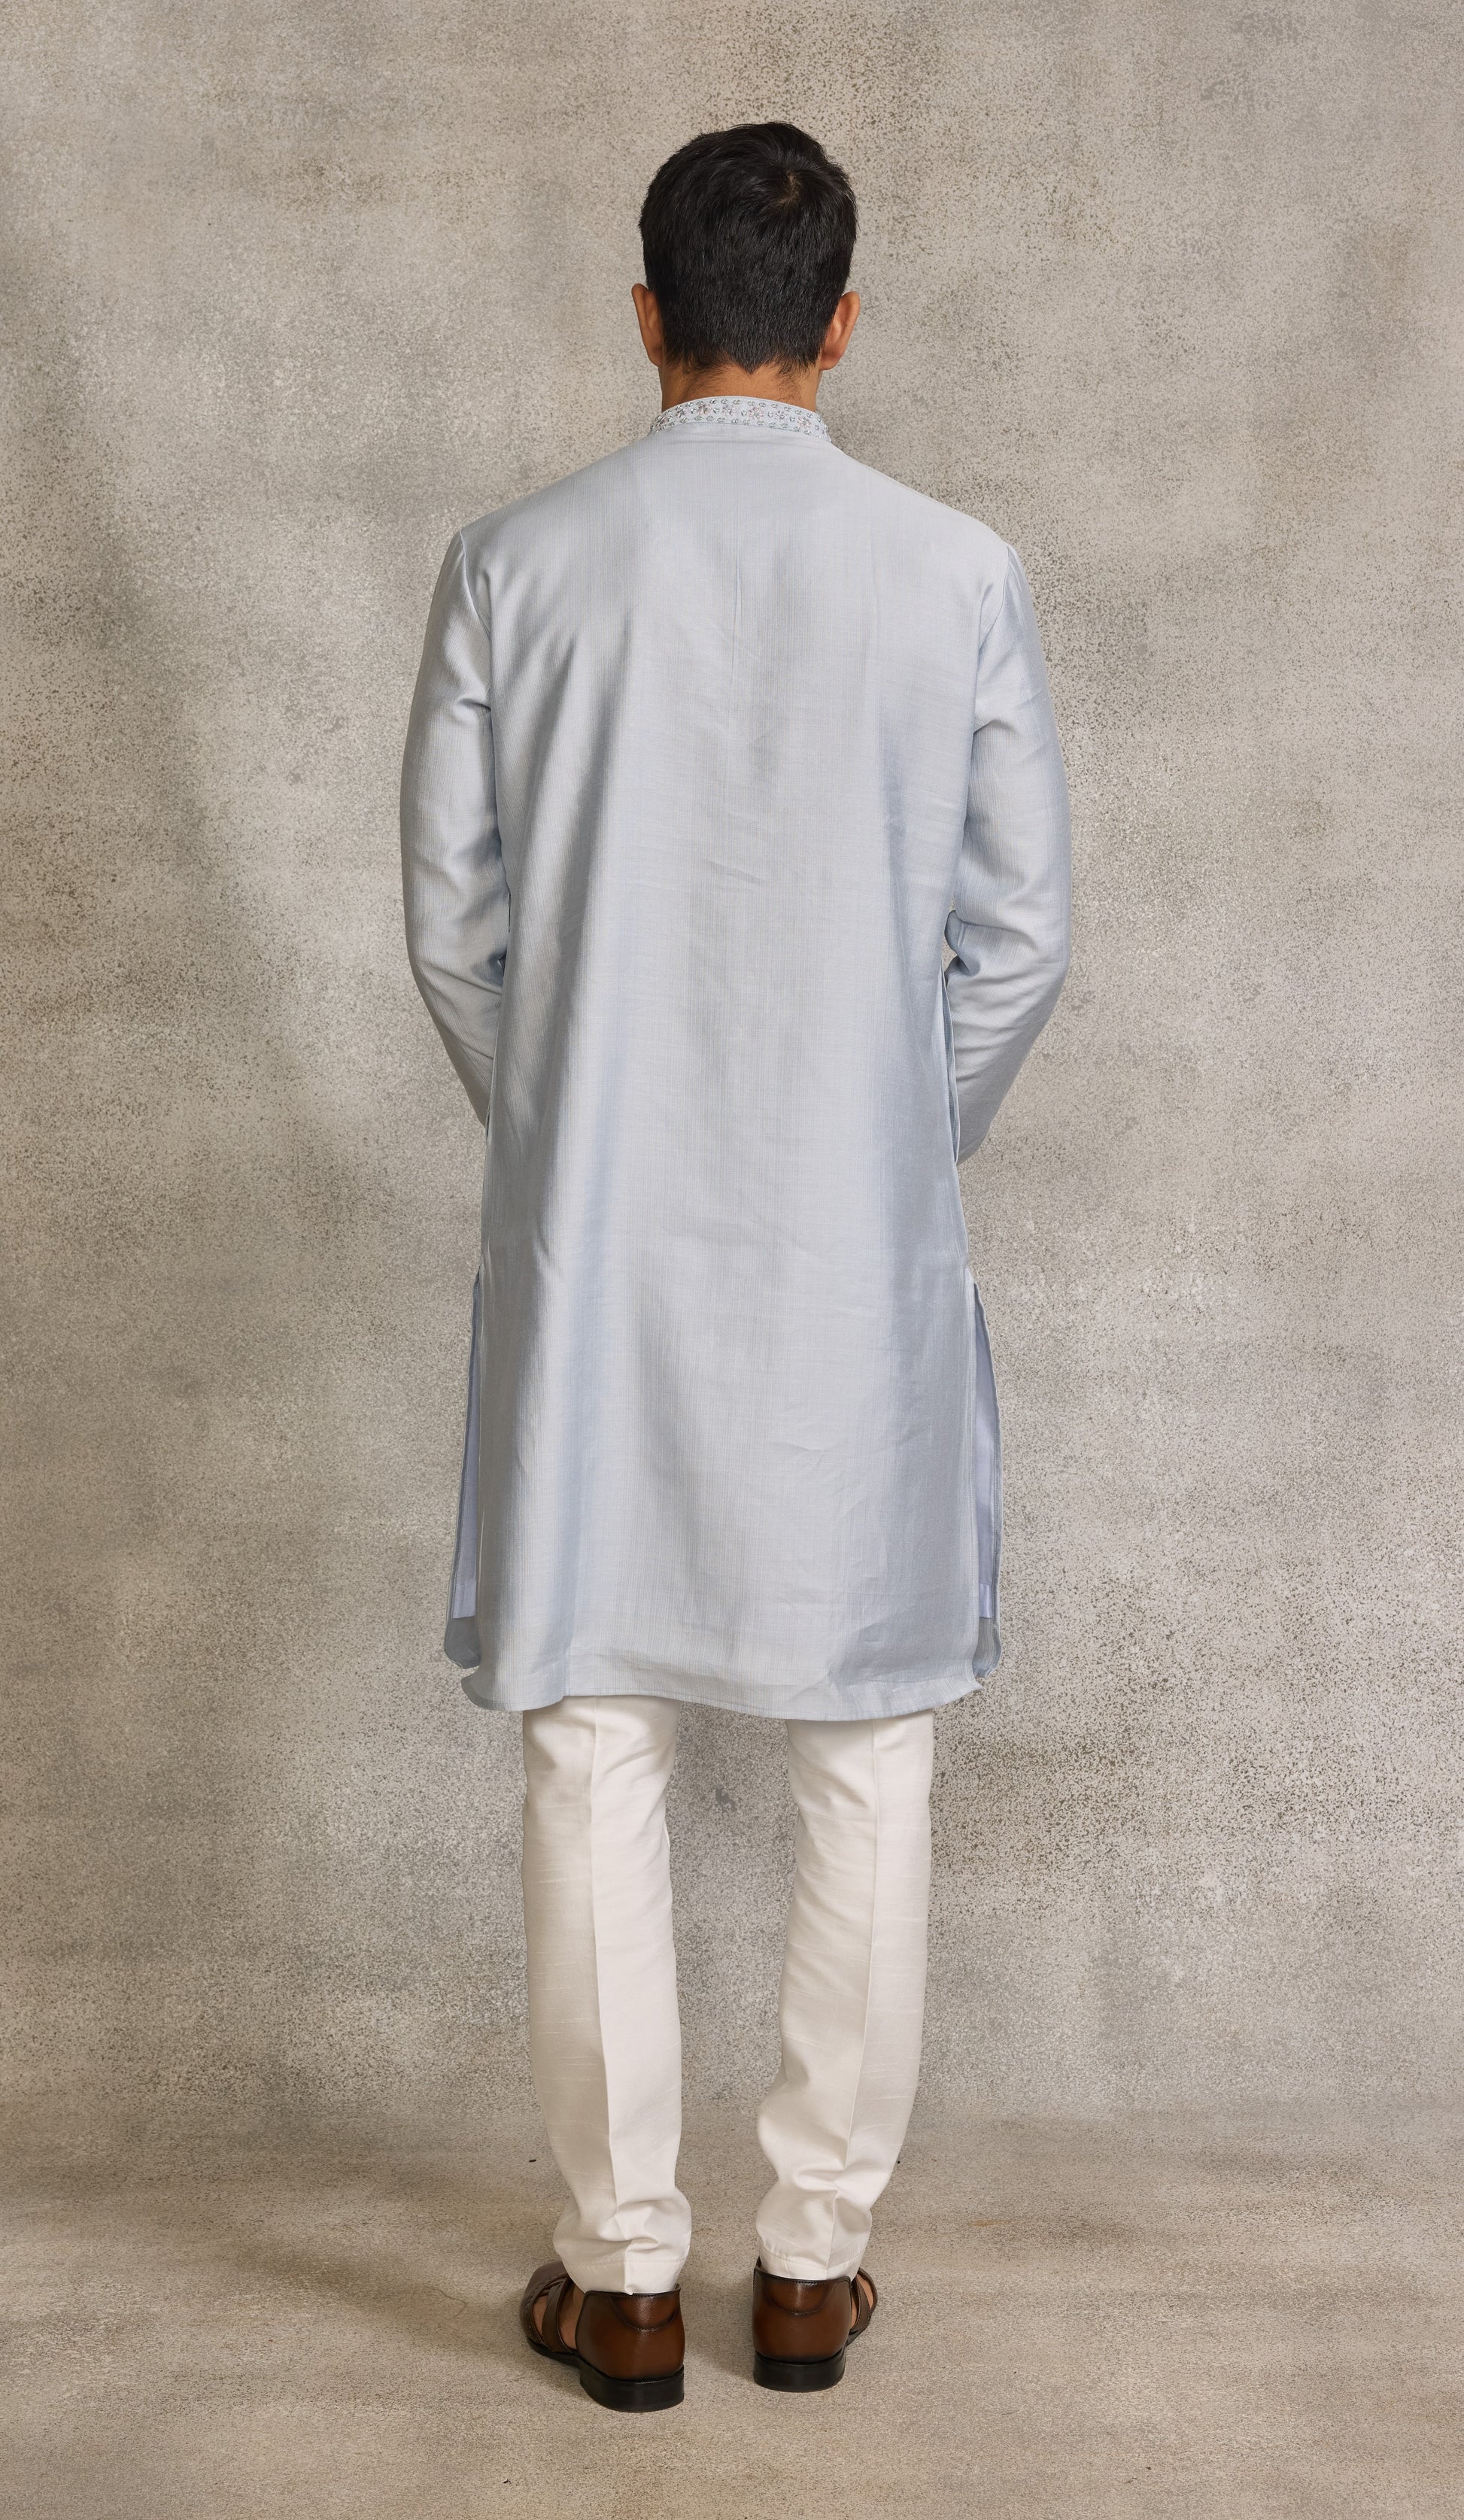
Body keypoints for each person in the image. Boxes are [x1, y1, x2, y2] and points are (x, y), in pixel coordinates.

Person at [399, 120, 1070, 2413]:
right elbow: (1019, 943)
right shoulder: (955, 574)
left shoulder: (515, 566)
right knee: (862, 1736)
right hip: (847, 1255)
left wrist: (575, 1133)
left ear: (646, 316)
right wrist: (886, 1141)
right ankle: (807, 2265)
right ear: (840, 324)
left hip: (596, 1247)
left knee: (591, 1728)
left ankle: (617, 2280)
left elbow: (453, 934)